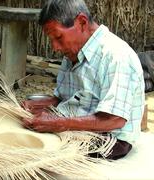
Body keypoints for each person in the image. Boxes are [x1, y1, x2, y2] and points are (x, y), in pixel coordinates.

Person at [22, 0, 145, 160]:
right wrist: (36, 105)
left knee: (30, 154)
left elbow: (114, 120)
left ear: (82, 22)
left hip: (109, 139)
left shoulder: (116, 56)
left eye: (59, 37)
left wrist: (59, 123)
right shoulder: (73, 52)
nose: (55, 47)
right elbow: (62, 99)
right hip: (73, 124)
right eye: (51, 40)